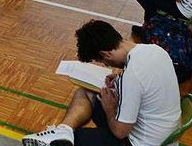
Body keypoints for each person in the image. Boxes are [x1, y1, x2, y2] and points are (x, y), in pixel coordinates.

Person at [22, 19, 180, 146]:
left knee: (72, 140)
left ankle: (64, 136)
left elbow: (120, 132)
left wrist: (110, 108)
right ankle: (64, 130)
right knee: (85, 92)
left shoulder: (131, 77)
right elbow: (146, 83)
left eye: (102, 61)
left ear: (106, 54)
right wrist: (119, 80)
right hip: (164, 131)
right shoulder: (156, 50)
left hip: (140, 141)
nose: (106, 66)